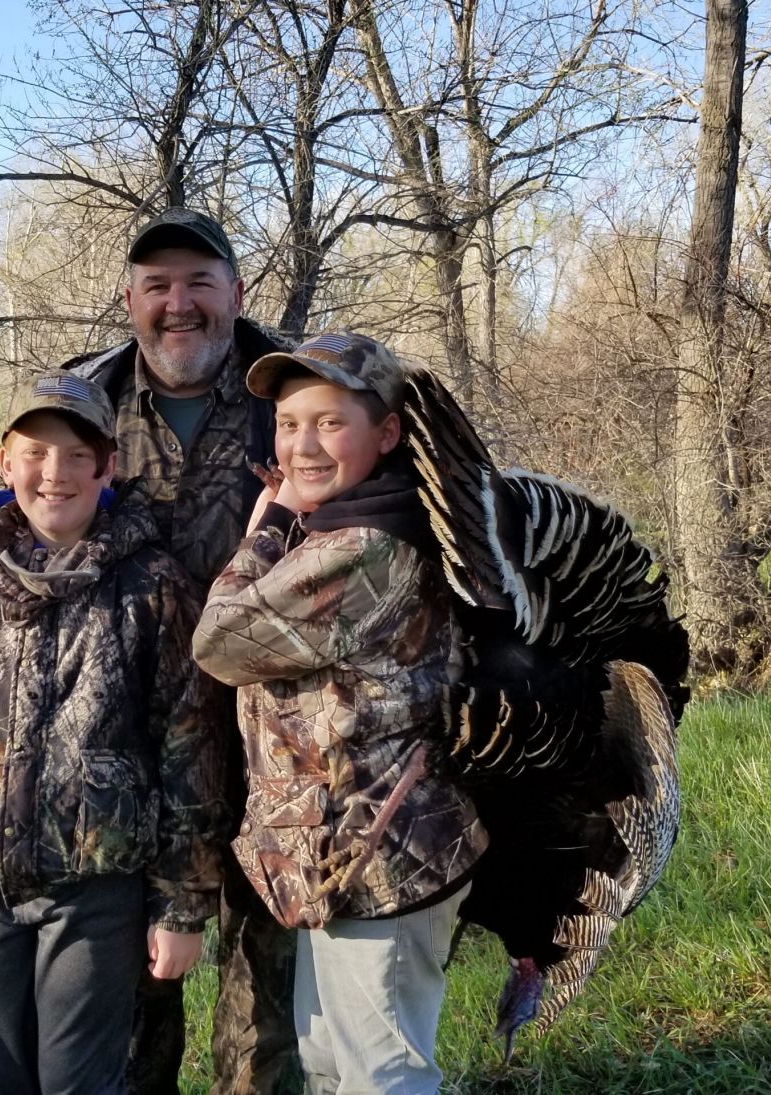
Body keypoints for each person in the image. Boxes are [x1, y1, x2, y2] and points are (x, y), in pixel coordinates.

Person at [0, 209, 302, 1095]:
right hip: (124, 759)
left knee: (267, 1014)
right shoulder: (90, 391)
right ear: (131, 297)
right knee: (130, 1017)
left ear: (236, 292)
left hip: (272, 740)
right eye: (157, 285)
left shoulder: (292, 395)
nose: (179, 304)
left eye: (199, 282)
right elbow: (26, 496)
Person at [0, 371, 226, 1095]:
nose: (54, 472)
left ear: (108, 467)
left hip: (95, 892)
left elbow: (190, 752)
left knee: (79, 1081)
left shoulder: (153, 586)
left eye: (76, 454)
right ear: (6, 462)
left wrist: (181, 904)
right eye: (34, 452)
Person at [191, 332, 488, 1094]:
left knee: (383, 1075)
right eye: (289, 424)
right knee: (330, 1063)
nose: (302, 445)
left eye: (330, 423)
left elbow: (219, 642)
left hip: (383, 859)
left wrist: (268, 524)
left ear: (387, 433)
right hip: (343, 857)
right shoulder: (351, 520)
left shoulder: (365, 546)